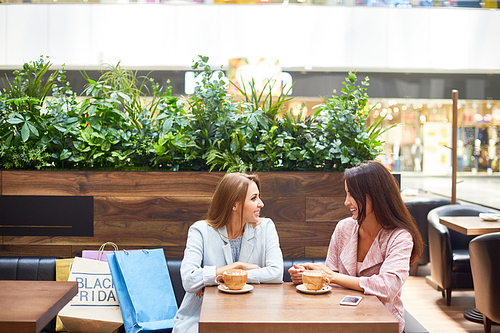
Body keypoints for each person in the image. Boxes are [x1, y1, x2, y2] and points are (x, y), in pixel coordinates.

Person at [288, 161, 423, 333]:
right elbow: (328, 279)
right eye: (347, 194)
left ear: (374, 195)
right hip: (341, 317)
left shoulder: (399, 236)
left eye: (352, 195)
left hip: (382, 324)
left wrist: (333, 277)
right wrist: (307, 277)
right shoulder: (344, 228)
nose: (346, 202)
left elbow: (388, 287)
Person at [172, 172, 283, 333]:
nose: (261, 204)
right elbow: (189, 279)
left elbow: (276, 273)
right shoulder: (200, 231)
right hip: (200, 318)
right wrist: (236, 267)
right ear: (234, 204)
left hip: (252, 316)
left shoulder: (266, 227)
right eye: (254, 198)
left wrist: (225, 277)